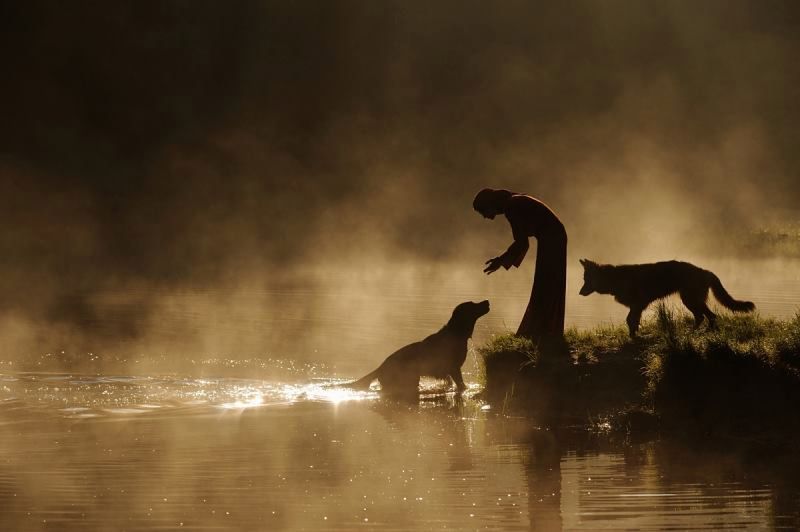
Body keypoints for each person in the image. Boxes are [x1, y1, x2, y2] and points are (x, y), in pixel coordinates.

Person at [473, 188, 567, 345]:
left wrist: (500, 261)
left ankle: (541, 332)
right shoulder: (514, 202)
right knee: (547, 283)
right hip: (554, 236)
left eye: (483, 211)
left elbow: (522, 243)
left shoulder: (512, 206)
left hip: (552, 238)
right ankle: (544, 331)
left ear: (490, 203)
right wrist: (502, 261)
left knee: (545, 283)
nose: (486, 217)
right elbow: (523, 242)